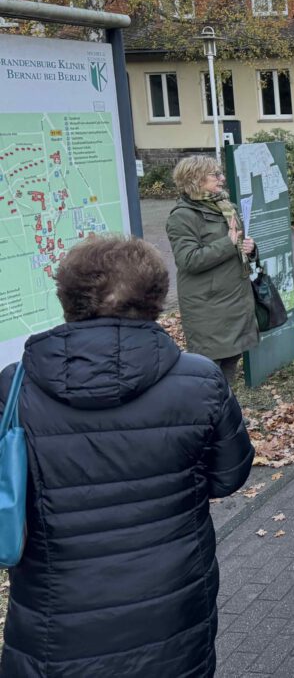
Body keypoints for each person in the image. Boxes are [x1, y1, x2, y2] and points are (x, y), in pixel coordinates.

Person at [0, 236, 253, 677]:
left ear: (67, 297)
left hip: (54, 622)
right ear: (155, 299)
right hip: (173, 605)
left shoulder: (13, 387)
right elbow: (228, 475)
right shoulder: (199, 381)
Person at [166, 154, 258, 385]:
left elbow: (239, 246)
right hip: (207, 306)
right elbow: (188, 260)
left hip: (235, 300)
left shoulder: (226, 207)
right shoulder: (182, 217)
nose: (222, 178)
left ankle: (226, 412)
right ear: (195, 179)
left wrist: (251, 249)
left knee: (230, 364)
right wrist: (228, 244)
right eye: (215, 175)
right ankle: (210, 415)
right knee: (209, 371)